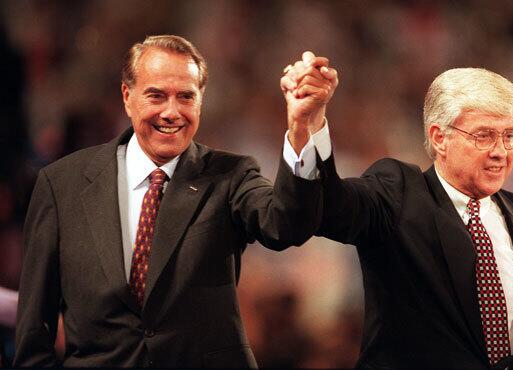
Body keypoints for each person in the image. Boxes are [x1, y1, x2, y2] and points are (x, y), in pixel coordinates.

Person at [14, 35, 337, 367]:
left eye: (186, 97)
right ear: (127, 97)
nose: (172, 112)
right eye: (156, 95)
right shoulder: (61, 184)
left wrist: (301, 127)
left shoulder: (231, 176)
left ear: (200, 101)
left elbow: (286, 226)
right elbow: (34, 329)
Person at [282, 61, 513, 369]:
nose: (500, 151)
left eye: (509, 136)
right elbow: (328, 207)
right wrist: (308, 127)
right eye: (484, 136)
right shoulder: (397, 196)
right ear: (439, 138)